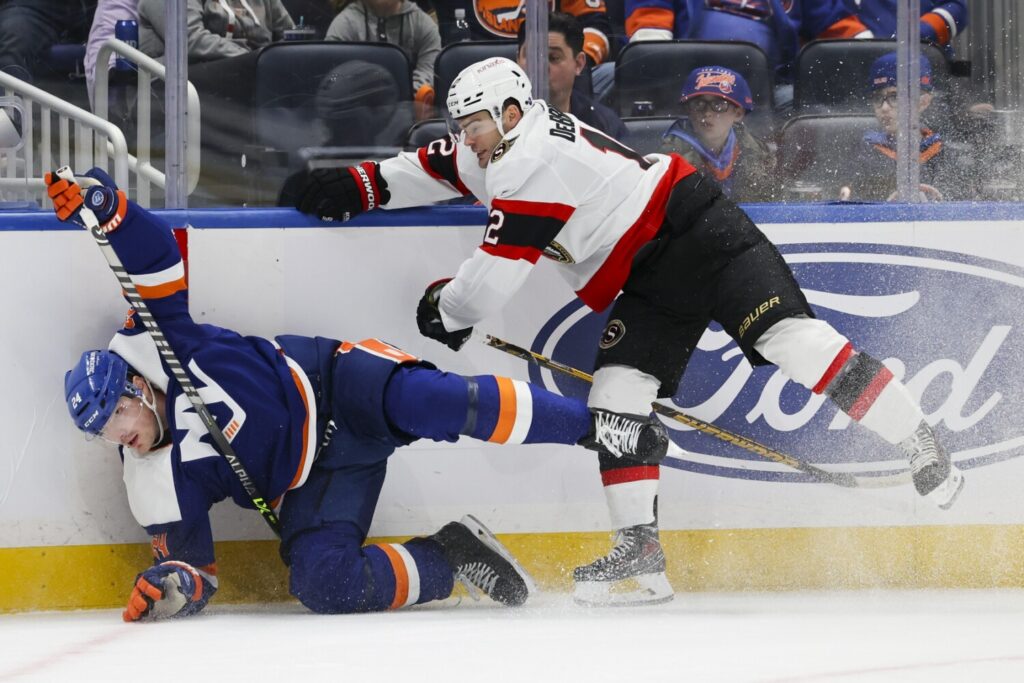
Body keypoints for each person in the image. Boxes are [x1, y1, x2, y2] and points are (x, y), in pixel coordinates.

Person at [289, 56, 966, 606]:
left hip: (698, 233)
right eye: (463, 125)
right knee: (616, 398)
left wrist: (448, 309)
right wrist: (352, 187)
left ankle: (921, 441)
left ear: (512, 114)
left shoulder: (532, 165)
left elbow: (492, 277)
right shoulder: (492, 146)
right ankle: (640, 557)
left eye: (474, 124)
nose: (466, 136)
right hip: (650, 276)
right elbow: (428, 167)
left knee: (792, 340)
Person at [47, 166, 665, 619]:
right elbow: (196, 571)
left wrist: (108, 205)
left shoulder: (157, 337)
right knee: (326, 586)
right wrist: (171, 590)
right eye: (105, 433)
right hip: (316, 480)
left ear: (135, 385)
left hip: (338, 384)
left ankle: (598, 428)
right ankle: (451, 555)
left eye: (118, 415)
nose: (119, 436)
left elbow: (155, 252)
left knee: (443, 403)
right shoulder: (152, 483)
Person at [839, 52, 960, 202]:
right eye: (877, 97)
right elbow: (847, 204)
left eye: (895, 97)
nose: (883, 108)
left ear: (923, 102)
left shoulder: (945, 152)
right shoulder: (862, 152)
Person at [660, 66, 775, 202]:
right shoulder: (669, 157)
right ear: (688, 110)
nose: (707, 112)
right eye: (699, 104)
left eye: (719, 105)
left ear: (738, 113)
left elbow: (770, 202)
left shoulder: (757, 151)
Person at [516, 12, 627, 141]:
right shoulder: (493, 121)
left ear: (579, 64)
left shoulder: (606, 126)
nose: (541, 66)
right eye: (531, 56)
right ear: (517, 59)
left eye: (554, 58)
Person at [325, 0, 441, 116]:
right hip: (355, 115)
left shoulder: (423, 24)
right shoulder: (345, 23)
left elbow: (429, 71)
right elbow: (331, 77)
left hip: (408, 116)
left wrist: (397, 102)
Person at [137, 0, 295, 62]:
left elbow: (290, 36)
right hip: (179, 95)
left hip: (249, 82)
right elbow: (191, 41)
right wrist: (254, 58)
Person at [0, 0, 97, 83]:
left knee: (109, 51)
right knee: (14, 39)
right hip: (35, 5)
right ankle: (9, 104)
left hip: (102, 6)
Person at [841, 0, 967, 53]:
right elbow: (826, 12)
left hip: (925, 68)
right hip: (854, 68)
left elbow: (956, 8)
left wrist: (920, 34)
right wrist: (862, 43)